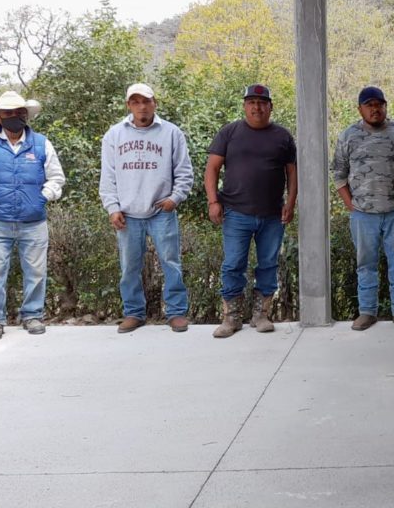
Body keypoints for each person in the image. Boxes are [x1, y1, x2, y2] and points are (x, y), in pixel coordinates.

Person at [0, 91, 66, 341]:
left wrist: (43, 196)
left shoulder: (41, 143)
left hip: (34, 221)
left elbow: (57, 177)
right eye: (8, 113)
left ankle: (32, 315)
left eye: (19, 112)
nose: (14, 116)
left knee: (36, 272)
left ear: (26, 115)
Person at [99, 83, 194, 334]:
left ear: (155, 103)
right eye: (136, 101)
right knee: (129, 266)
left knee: (171, 263)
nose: (142, 106)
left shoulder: (171, 133)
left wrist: (175, 198)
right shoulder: (114, 135)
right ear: (128, 105)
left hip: (161, 211)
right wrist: (112, 207)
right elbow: (107, 176)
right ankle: (134, 313)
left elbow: (184, 171)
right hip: (128, 213)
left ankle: (175, 313)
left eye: (146, 101)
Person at [205, 84, 297, 338]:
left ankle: (261, 315)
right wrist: (213, 201)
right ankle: (231, 318)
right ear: (245, 106)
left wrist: (290, 203)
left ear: (270, 106)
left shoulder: (283, 136)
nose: (257, 107)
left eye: (262, 102)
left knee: (268, 264)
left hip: (272, 215)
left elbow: (292, 172)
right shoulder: (229, 132)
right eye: (251, 102)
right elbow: (212, 168)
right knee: (233, 264)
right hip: (235, 213)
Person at [332, 85, 394, 331]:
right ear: (360, 108)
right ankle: (367, 312)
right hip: (362, 214)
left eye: (379, 104)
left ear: (385, 106)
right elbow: (338, 172)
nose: (375, 109)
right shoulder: (348, 136)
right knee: (366, 265)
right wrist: (350, 204)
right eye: (369, 105)